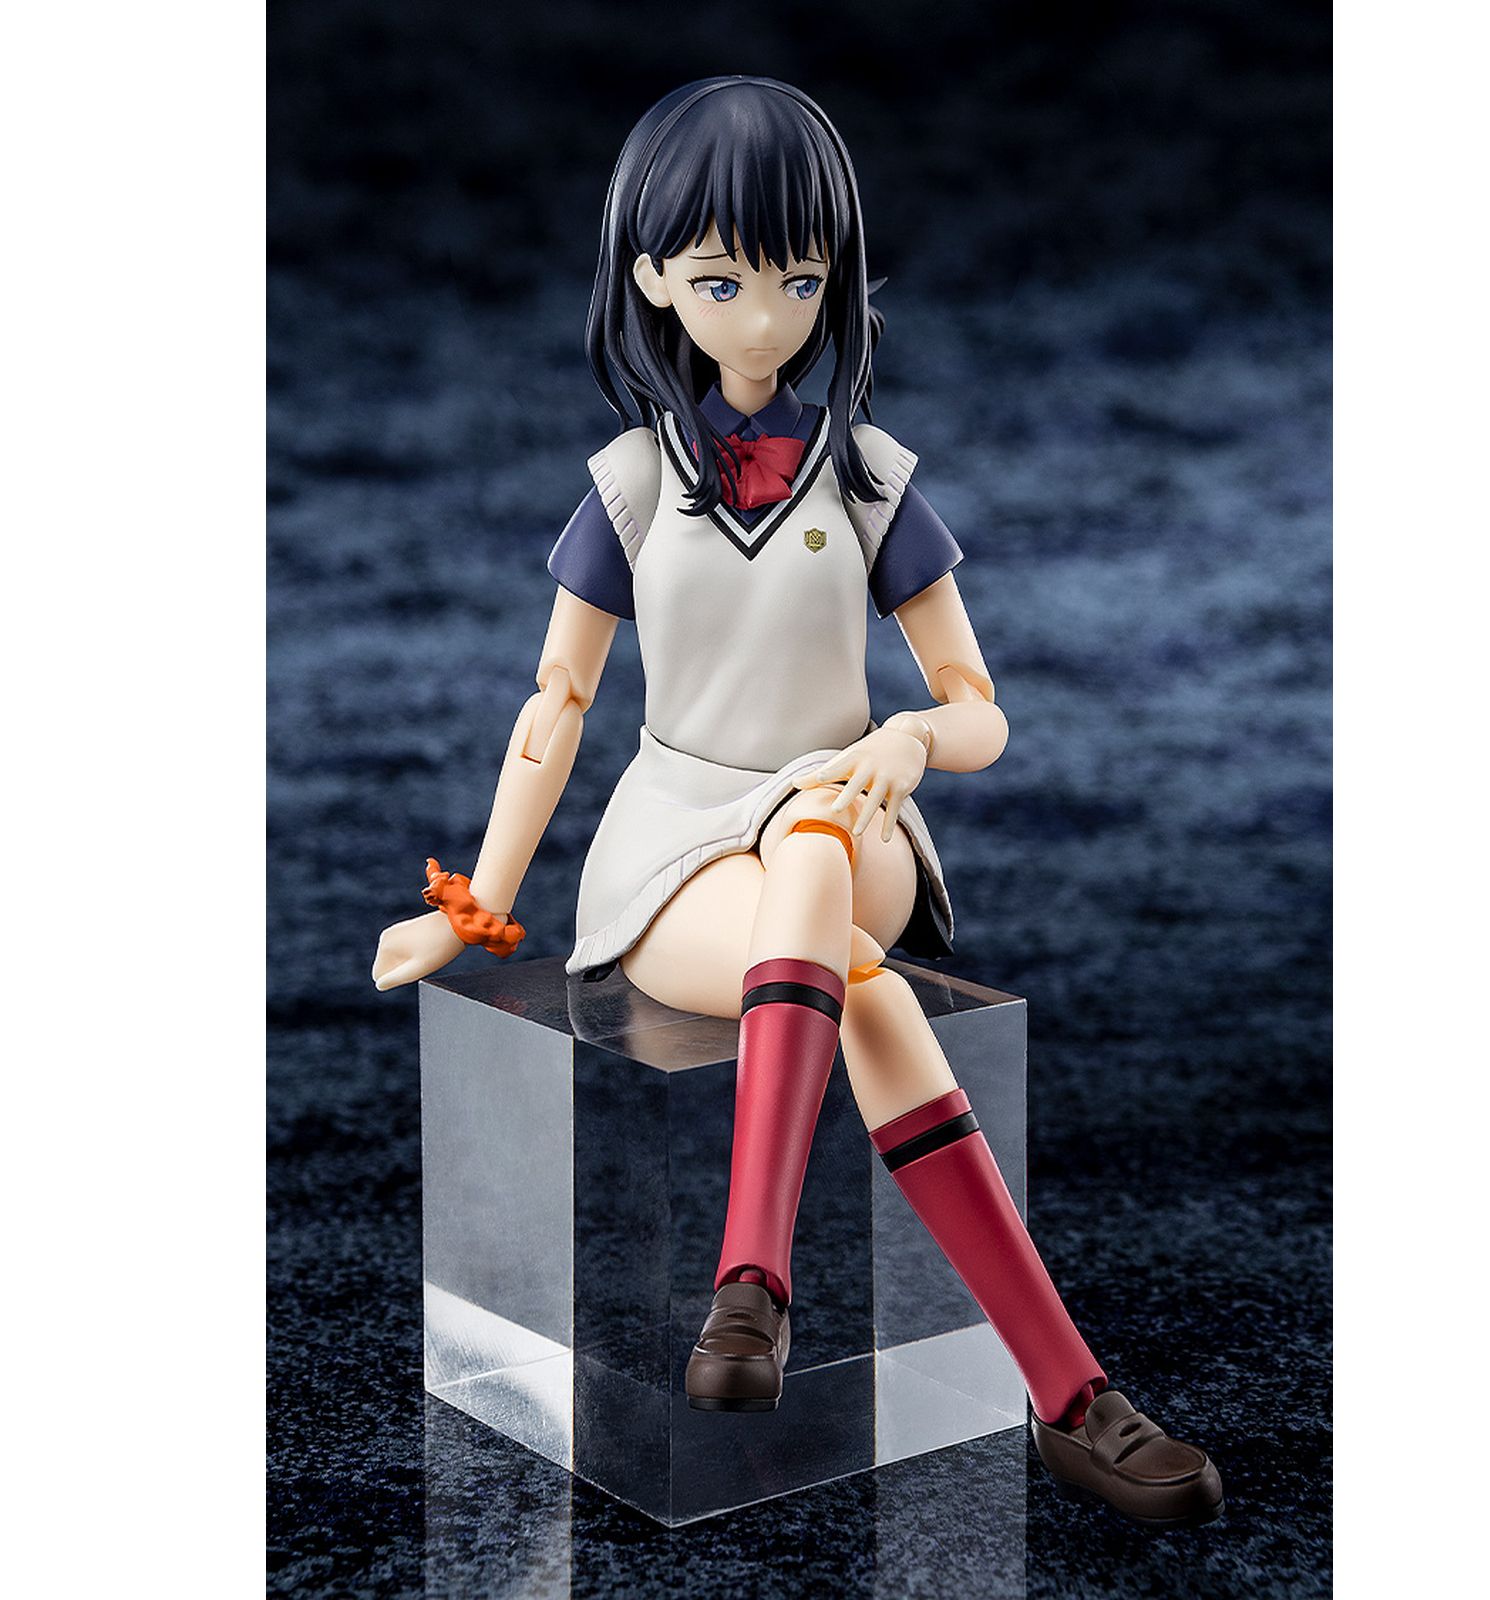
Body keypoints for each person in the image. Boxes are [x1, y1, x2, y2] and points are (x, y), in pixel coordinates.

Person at [373, 76, 1223, 1528]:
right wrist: (478, 903)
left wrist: (916, 738)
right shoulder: (630, 489)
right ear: (654, 279)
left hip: (848, 809)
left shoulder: (872, 480)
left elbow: (980, 706)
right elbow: (556, 705)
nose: (765, 316)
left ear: (834, 281)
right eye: (723, 281)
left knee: (819, 842)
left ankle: (752, 1277)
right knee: (872, 997)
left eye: (799, 279)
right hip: (678, 846)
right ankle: (1070, 1394)